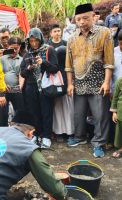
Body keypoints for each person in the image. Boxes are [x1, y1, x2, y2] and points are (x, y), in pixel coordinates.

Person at [66, 3, 114, 158]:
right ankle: (79, 137)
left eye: (85, 18)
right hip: (79, 82)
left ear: (93, 16)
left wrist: (107, 82)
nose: (81, 22)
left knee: (100, 115)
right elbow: (68, 64)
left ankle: (99, 143)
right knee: (78, 114)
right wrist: (70, 83)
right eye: (78, 19)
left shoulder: (104, 33)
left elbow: (109, 61)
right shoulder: (72, 38)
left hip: (98, 82)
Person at [20, 28, 59, 148]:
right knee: (34, 113)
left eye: (36, 40)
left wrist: (44, 63)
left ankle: (46, 136)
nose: (34, 43)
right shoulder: (27, 54)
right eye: (31, 41)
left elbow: (55, 68)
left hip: (45, 87)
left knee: (46, 112)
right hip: (31, 88)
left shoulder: (49, 50)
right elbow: (22, 73)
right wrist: (29, 68)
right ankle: (36, 135)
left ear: (40, 39)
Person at [0, 36, 25, 120]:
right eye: (11, 48)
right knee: (3, 113)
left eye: (16, 48)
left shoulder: (22, 60)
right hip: (4, 89)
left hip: (16, 89)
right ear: (8, 47)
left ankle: (17, 128)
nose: (14, 51)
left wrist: (20, 86)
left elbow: (22, 74)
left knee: (20, 111)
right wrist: (3, 85)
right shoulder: (2, 59)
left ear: (19, 47)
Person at [52, 46, 74, 139]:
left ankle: (59, 133)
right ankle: (70, 132)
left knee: (59, 113)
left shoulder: (55, 66)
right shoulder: (69, 66)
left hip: (58, 93)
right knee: (68, 113)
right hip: (68, 93)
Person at [111, 31, 122, 158]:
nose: (121, 46)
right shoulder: (113, 52)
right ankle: (118, 146)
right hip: (115, 90)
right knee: (118, 127)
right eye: (119, 43)